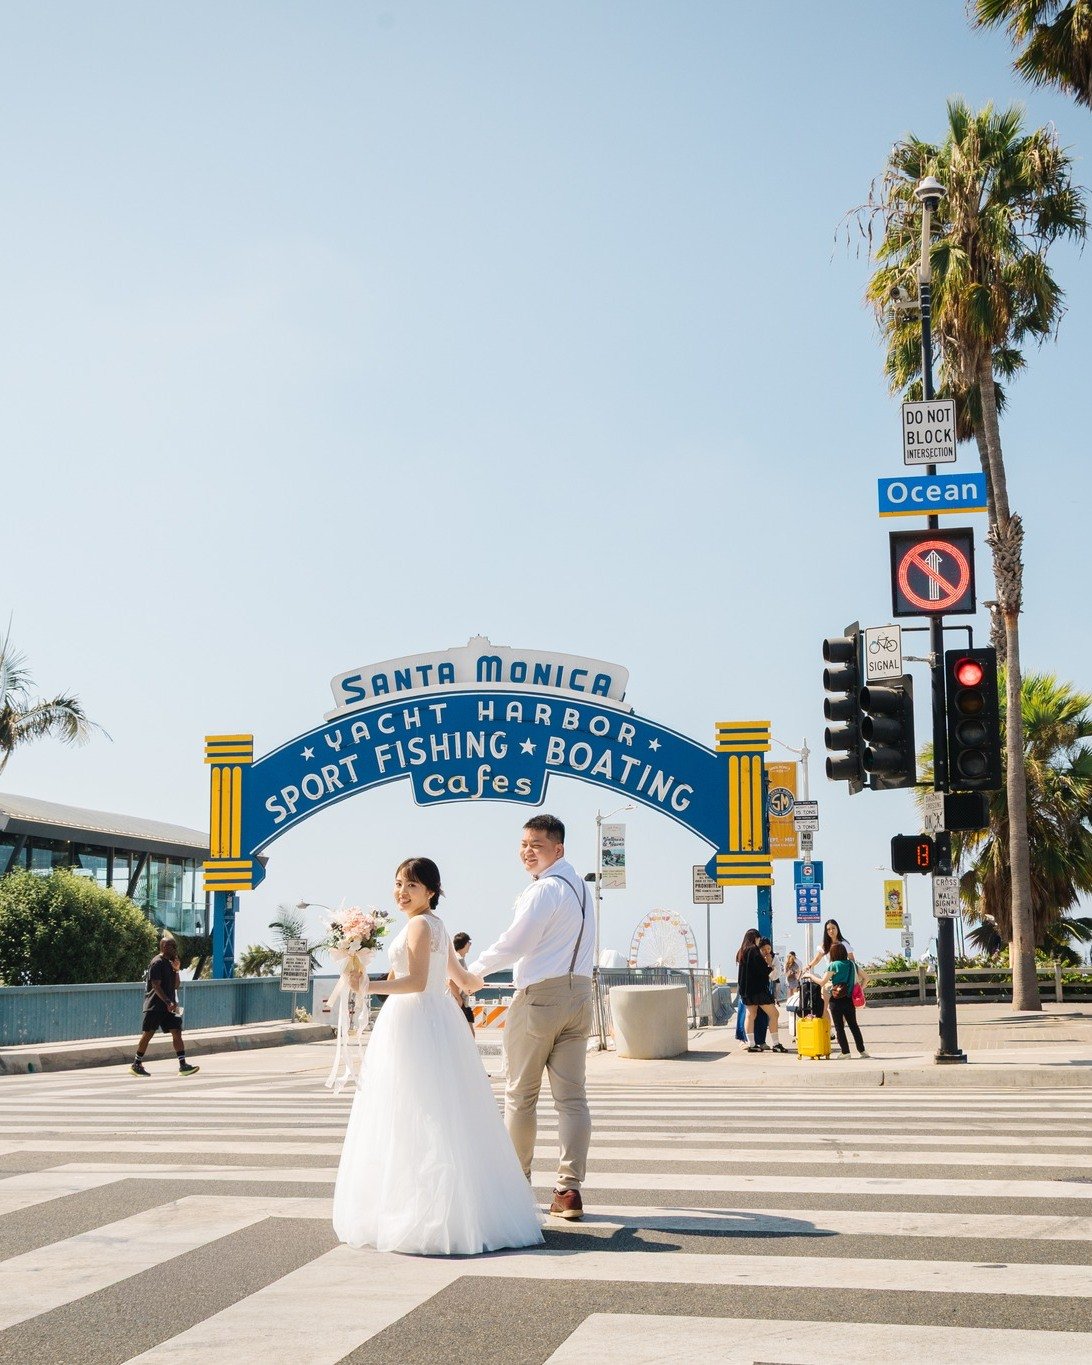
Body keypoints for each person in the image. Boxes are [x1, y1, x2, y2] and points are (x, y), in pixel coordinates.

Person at [332, 857, 543, 1255]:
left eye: (411, 885)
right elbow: (462, 980)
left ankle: (419, 1212)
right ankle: (460, 1210)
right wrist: (497, 973)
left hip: (412, 1021)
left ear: (431, 891)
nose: (401, 891)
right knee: (445, 1112)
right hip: (437, 1021)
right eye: (397, 884)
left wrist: (366, 986)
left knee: (412, 1112)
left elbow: (411, 982)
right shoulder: (437, 926)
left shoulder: (418, 924)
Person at [468, 814, 594, 1222]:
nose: (527, 851)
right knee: (572, 1099)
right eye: (524, 844)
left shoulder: (543, 891)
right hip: (580, 995)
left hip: (540, 997)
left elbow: (516, 943)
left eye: (537, 845)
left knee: (520, 1095)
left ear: (558, 849)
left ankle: (517, 1185)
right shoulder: (582, 889)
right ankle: (568, 1190)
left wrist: (475, 972)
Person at [130, 937, 199, 1077]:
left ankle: (183, 1065)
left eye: (174, 946)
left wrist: (177, 970)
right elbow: (155, 985)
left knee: (177, 1031)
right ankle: (136, 1064)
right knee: (148, 1033)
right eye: (169, 946)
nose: (173, 948)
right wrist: (168, 1002)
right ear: (163, 948)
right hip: (155, 1006)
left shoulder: (170, 964)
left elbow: (176, 985)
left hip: (170, 1006)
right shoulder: (157, 962)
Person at [735, 930, 788, 1054]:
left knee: (750, 1015)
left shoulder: (741, 951)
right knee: (774, 1014)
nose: (758, 942)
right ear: (755, 938)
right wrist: (769, 963)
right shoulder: (753, 950)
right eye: (758, 940)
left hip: (746, 991)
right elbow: (764, 971)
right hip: (758, 990)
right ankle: (776, 1044)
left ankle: (752, 1044)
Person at [821, 943, 868, 1059]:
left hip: (836, 1001)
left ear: (833, 954)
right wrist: (859, 989)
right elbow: (867, 978)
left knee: (839, 1027)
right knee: (854, 1026)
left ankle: (845, 1052)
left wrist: (810, 976)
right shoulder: (852, 965)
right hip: (849, 999)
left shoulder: (833, 965)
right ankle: (862, 1051)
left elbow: (822, 982)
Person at [449, 930, 476, 1032]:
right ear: (465, 944)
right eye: (469, 943)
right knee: (469, 1034)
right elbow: (451, 982)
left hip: (461, 1002)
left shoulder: (457, 958)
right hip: (460, 1002)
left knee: (466, 1034)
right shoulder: (459, 960)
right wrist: (459, 999)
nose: (470, 945)